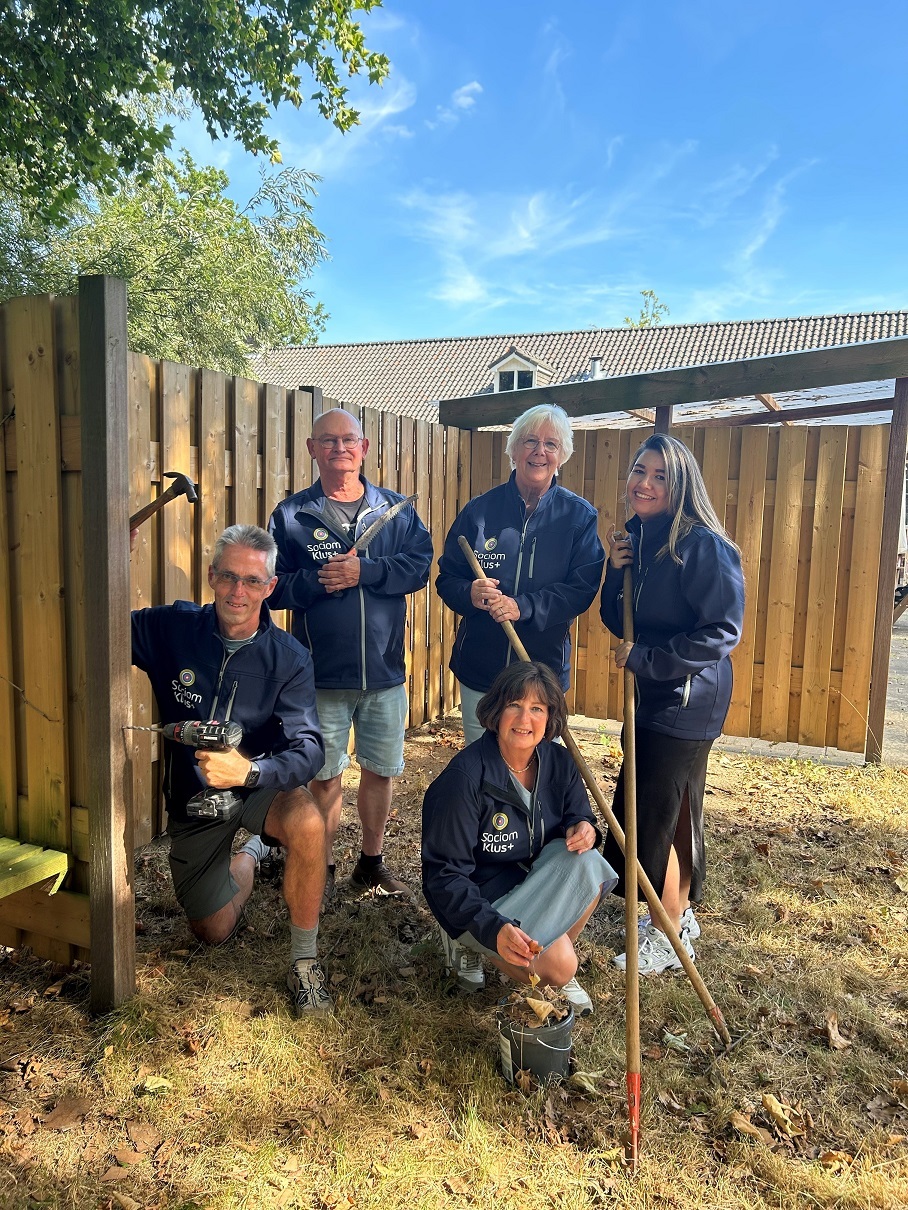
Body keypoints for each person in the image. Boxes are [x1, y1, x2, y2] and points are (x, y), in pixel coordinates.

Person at [131, 525, 332, 1016]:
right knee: (212, 930)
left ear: (270, 586)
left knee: (308, 823)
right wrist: (116, 555)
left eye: (252, 580)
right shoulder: (172, 628)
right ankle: (252, 856)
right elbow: (99, 620)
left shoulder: (290, 658)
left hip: (259, 785)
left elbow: (310, 750)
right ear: (211, 576)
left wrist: (251, 771)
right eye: (228, 577)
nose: (238, 592)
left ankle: (305, 963)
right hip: (196, 800)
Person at [268, 408, 434, 899]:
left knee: (380, 771)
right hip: (320, 675)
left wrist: (368, 572)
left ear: (363, 448)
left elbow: (420, 567)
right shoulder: (292, 516)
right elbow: (272, 587)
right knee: (324, 777)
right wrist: (320, 580)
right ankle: (318, 865)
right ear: (312, 449)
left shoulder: (395, 511)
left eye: (348, 440)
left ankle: (371, 862)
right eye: (328, 440)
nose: (339, 448)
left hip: (384, 671)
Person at [600, 434, 745, 974]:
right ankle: (676, 913)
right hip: (652, 692)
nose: (644, 483)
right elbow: (617, 620)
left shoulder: (702, 546)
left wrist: (649, 659)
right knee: (669, 806)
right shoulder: (639, 538)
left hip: (687, 697)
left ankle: (671, 931)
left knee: (659, 813)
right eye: (640, 470)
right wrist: (615, 570)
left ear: (681, 485)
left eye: (660, 476)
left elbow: (722, 630)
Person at [421, 661, 617, 1015]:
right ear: (497, 710)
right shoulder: (464, 779)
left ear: (550, 717)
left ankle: (542, 954)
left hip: (534, 879)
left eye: (537, 708)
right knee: (561, 966)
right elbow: (444, 876)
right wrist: (492, 928)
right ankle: (468, 943)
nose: (525, 719)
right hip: (482, 899)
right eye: (514, 705)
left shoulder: (558, 761)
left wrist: (584, 827)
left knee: (590, 863)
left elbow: (578, 814)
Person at [436, 404, 604, 745]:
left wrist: (522, 606)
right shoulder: (479, 511)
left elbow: (580, 590)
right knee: (483, 765)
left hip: (542, 674)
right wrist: (469, 593)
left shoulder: (578, 516)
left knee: (538, 766)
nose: (540, 451)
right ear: (513, 450)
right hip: (481, 671)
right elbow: (448, 578)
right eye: (530, 441)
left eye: (551, 444)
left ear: (562, 456)